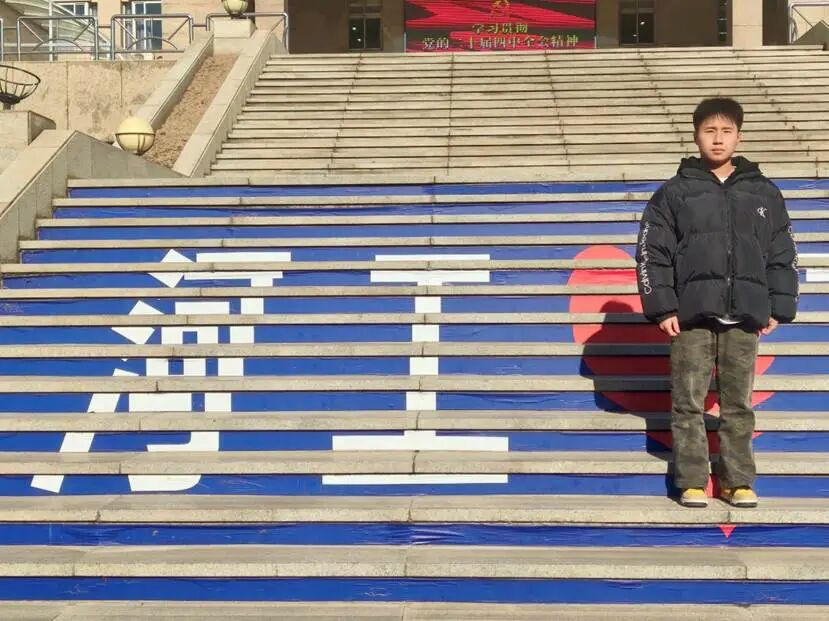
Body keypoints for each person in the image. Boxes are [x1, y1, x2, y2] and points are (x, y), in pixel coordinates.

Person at [635, 97, 799, 508]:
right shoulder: (674, 193)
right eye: (710, 131)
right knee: (688, 402)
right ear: (696, 136)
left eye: (726, 131)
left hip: (745, 313)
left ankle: (737, 481)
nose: (718, 139)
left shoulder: (764, 192)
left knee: (738, 404)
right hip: (691, 315)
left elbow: (781, 251)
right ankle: (692, 480)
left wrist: (779, 306)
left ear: (739, 137)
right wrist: (663, 306)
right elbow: (653, 253)